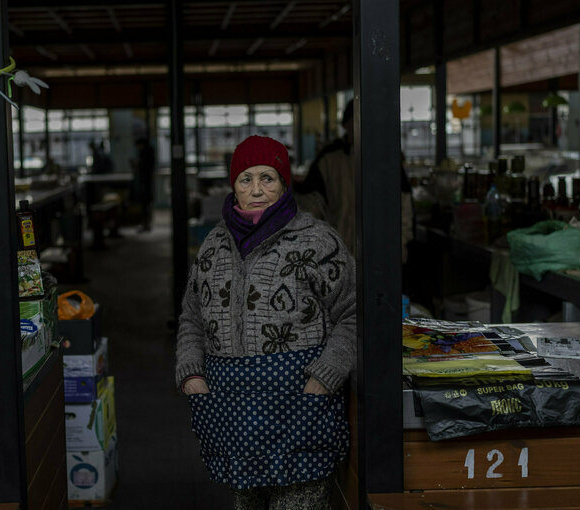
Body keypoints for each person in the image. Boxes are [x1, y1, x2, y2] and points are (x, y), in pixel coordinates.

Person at [175, 135, 355, 509]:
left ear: (284, 183)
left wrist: (323, 379)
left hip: (300, 411)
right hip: (232, 418)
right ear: (233, 186)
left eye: (267, 178)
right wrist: (192, 376)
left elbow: (353, 316)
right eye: (246, 179)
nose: (256, 189)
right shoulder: (212, 246)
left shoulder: (319, 241)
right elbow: (191, 317)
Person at [294, 100, 413, 263]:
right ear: (346, 124)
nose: (360, 126)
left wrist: (400, 242)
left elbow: (403, 204)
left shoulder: (387, 157)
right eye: (355, 121)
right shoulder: (329, 159)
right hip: (338, 254)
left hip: (383, 254)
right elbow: (310, 206)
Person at [131, 137, 155, 231]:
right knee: (147, 204)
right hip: (147, 182)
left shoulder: (145, 155)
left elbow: (142, 166)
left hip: (145, 183)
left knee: (145, 204)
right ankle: (146, 224)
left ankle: (145, 224)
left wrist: (136, 164)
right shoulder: (149, 154)